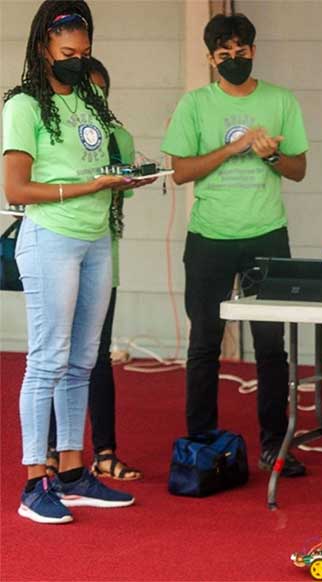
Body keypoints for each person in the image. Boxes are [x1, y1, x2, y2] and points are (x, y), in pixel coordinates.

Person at [2, 1, 152, 523]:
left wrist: (126, 175)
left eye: (85, 52)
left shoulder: (90, 98)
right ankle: (32, 483)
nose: (77, 61)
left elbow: (99, 156)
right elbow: (17, 187)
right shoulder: (22, 106)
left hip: (96, 239)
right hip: (51, 240)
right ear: (43, 44)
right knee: (46, 358)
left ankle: (71, 472)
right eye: (68, 52)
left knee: (82, 361)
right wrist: (92, 185)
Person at [161, 13, 309, 476]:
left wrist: (269, 155)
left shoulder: (281, 100)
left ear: (253, 51)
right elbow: (181, 171)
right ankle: (202, 442)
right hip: (209, 237)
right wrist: (233, 148)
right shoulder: (194, 105)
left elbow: (299, 169)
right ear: (210, 60)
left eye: (241, 52)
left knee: (271, 345)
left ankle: (273, 444)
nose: (233, 60)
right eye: (223, 55)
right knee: (204, 341)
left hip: (267, 233)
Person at [45, 57, 142, 481]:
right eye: (86, 87)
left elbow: (120, 199)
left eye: (100, 90)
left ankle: (104, 452)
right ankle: (50, 452)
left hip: (102, 258)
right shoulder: (50, 127)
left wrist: (125, 180)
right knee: (55, 358)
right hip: (57, 253)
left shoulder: (117, 135)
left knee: (96, 357)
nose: (93, 96)